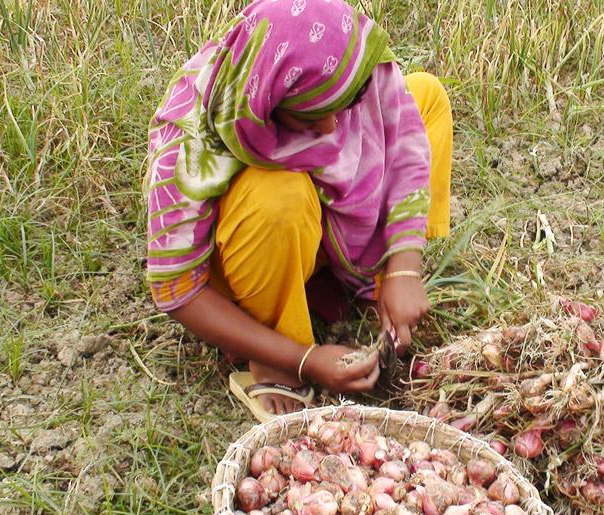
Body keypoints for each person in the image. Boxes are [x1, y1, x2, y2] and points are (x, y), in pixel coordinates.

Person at [143, 0, 453, 421]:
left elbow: (404, 144)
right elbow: (178, 291)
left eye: (342, 107)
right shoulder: (193, 137)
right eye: (308, 120)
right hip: (251, 247)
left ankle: (365, 278)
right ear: (268, 106)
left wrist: (404, 267)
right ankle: (274, 344)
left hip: (315, 229)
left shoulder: (351, 65)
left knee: (426, 97)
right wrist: (304, 360)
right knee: (278, 198)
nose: (331, 130)